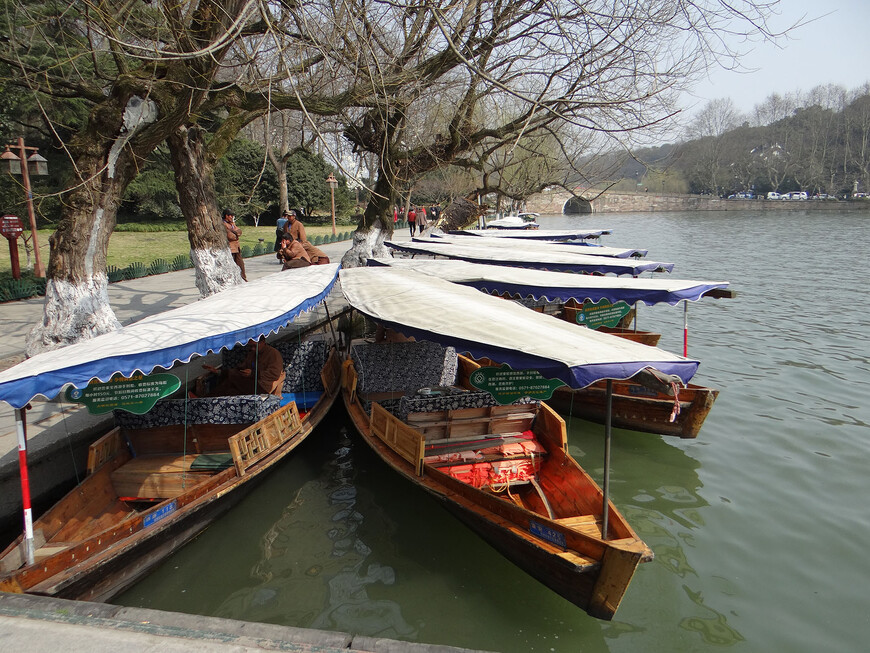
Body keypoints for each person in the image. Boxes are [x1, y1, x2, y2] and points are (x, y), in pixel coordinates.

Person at [200, 339, 285, 397]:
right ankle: (204, 402)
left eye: (254, 346)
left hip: (263, 387)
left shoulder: (273, 354)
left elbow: (274, 374)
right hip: (251, 382)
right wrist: (217, 371)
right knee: (231, 390)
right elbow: (240, 368)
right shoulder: (252, 353)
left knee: (232, 378)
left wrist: (253, 373)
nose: (252, 349)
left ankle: (203, 400)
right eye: (250, 346)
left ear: (263, 342)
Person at [223, 209, 247, 281]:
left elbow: (239, 231)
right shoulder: (224, 224)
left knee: (241, 264)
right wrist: (236, 234)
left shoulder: (232, 223)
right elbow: (230, 236)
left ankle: (243, 278)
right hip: (231, 248)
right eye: (231, 215)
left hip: (237, 247)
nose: (232, 217)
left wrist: (236, 233)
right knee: (232, 265)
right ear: (226, 216)